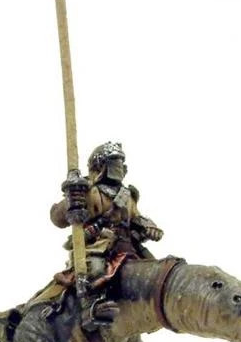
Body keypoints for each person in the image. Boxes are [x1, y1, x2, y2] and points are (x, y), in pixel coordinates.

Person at [50, 141, 163, 329]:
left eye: (120, 162)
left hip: (128, 244)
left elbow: (136, 217)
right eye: (114, 162)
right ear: (101, 166)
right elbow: (58, 217)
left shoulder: (128, 195)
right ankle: (89, 309)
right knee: (95, 270)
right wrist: (71, 200)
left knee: (154, 269)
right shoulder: (90, 191)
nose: (119, 167)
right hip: (100, 245)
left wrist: (149, 227)